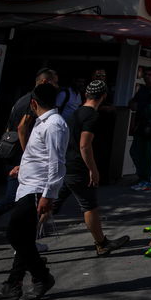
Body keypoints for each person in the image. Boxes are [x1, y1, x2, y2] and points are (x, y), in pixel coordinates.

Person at [0, 81, 67, 300]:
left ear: (33, 103)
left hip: (37, 189)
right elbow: (41, 156)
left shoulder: (53, 125)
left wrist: (48, 195)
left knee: (15, 234)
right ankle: (13, 284)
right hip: (28, 185)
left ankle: (41, 276)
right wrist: (22, 167)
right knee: (24, 237)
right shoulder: (44, 123)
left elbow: (56, 162)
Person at [0, 69, 57, 247]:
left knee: (21, 200)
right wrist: (28, 155)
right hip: (19, 158)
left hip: (14, 156)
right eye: (54, 82)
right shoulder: (33, 101)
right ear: (45, 83)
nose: (57, 86)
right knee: (16, 200)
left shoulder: (23, 98)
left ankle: (23, 241)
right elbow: (22, 127)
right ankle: (20, 242)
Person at [54, 80, 130, 257]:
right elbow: (84, 146)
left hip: (67, 165)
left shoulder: (75, 113)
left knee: (51, 204)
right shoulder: (92, 116)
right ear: (103, 96)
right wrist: (93, 169)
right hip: (79, 168)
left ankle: (26, 240)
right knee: (89, 206)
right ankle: (102, 244)